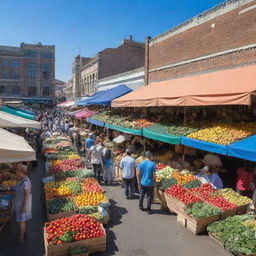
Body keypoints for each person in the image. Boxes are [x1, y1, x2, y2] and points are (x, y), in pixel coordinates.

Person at [13, 165, 32, 244]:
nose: (16, 174)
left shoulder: (26, 183)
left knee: (22, 221)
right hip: (21, 203)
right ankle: (24, 232)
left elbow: (27, 195)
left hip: (23, 204)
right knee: (24, 220)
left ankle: (21, 237)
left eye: (17, 172)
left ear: (21, 173)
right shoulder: (23, 179)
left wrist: (24, 207)